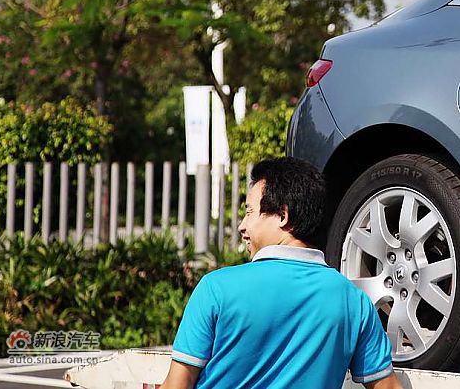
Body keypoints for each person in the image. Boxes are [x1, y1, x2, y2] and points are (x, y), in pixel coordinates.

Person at [159, 157, 401, 389]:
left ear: (283, 216)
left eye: (250, 212)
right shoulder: (354, 301)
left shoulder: (217, 288)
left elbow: (177, 385)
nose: (242, 226)